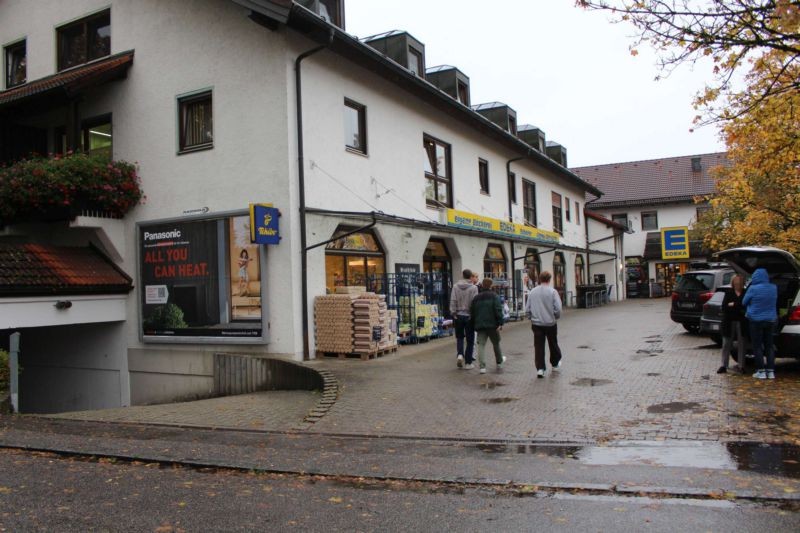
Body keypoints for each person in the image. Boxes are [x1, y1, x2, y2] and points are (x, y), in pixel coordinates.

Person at [525, 271, 563, 378]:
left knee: (538, 346)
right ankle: (555, 364)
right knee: (553, 343)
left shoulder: (532, 292)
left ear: (539, 279)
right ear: (549, 279)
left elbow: (527, 308)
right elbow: (558, 308)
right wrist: (555, 316)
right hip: (550, 323)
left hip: (537, 323)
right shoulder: (552, 292)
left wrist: (531, 317)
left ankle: (540, 368)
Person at [742, 267, 778, 379]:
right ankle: (771, 371)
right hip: (771, 320)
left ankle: (761, 371)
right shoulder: (774, 288)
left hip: (755, 320)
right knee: (769, 346)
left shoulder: (753, 288)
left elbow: (744, 302)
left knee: (757, 346)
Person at [469, 278, 506, 374]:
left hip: (480, 325)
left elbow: (472, 312)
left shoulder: (476, 298)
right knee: (496, 343)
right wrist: (500, 322)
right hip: (492, 325)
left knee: (481, 345)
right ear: (491, 285)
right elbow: (498, 310)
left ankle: (482, 367)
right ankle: (499, 362)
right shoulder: (494, 296)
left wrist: (473, 324)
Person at [450, 268, 479, 369]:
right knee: (470, 340)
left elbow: (453, 300)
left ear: (462, 275)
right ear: (470, 276)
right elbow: (475, 303)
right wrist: (473, 314)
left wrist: (453, 313)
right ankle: (468, 363)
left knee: (460, 337)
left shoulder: (455, 287)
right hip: (469, 316)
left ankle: (460, 355)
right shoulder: (474, 288)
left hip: (458, 315)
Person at [718, 274, 746, 374]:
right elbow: (724, 307)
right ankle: (723, 365)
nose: (738, 284)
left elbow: (744, 305)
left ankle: (741, 365)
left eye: (740, 282)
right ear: (733, 283)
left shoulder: (745, 293)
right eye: (736, 282)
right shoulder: (728, 293)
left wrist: (733, 304)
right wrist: (737, 305)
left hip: (741, 321)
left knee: (741, 343)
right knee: (726, 343)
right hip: (729, 321)